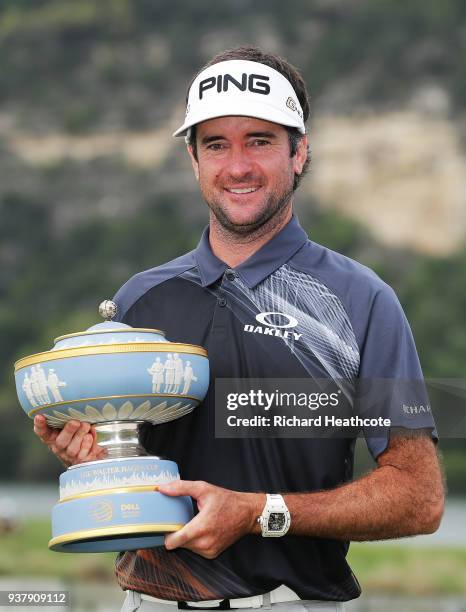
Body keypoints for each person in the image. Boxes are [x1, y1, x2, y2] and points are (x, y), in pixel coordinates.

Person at [34, 46, 445, 611]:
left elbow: (418, 496)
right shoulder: (141, 300)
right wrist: (96, 459)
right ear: (193, 159)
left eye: (260, 140)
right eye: (216, 145)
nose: (238, 166)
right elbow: (131, 477)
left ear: (300, 153)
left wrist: (261, 513)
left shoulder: (361, 301)